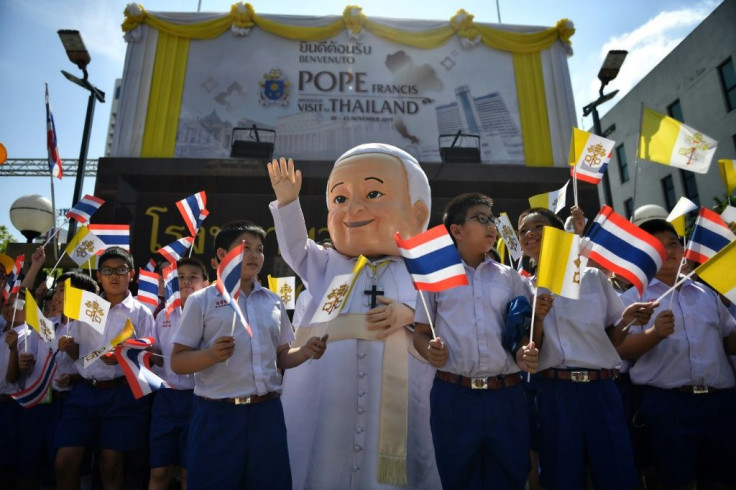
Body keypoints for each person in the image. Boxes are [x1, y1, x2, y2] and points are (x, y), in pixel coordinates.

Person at [268, 144, 441, 489]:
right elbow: (295, 248)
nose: (353, 209)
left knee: (401, 467)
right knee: (328, 462)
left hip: (402, 395)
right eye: (340, 200)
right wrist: (288, 203)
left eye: (374, 193)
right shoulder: (325, 264)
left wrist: (408, 314)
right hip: (333, 395)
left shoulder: (426, 267)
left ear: (418, 214)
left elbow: (440, 316)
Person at [170, 221, 327, 489]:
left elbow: (281, 356)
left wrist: (305, 352)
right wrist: (210, 355)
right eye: (245, 248)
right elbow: (177, 361)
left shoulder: (273, 301)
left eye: (260, 249)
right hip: (217, 415)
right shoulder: (201, 300)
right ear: (222, 255)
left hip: (266, 414)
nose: (255, 255)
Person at [518, 207, 655, 490]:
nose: (530, 234)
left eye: (539, 226)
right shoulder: (522, 289)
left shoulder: (592, 278)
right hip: (554, 392)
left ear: (558, 234)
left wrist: (627, 321)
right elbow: (529, 350)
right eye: (523, 231)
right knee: (561, 475)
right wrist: (539, 318)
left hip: (600, 389)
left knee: (616, 471)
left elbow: (612, 339)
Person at [413, 192, 538, 489]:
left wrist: (524, 352)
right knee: (458, 477)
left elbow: (518, 331)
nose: (491, 226)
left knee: (509, 476)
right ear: (456, 230)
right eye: (481, 219)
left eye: (491, 219)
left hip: (506, 395)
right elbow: (420, 332)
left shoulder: (511, 278)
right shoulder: (434, 275)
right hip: (453, 397)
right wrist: (430, 351)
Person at [617, 219, 736, 489]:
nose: (669, 251)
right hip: (667, 405)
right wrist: (655, 334)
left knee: (723, 479)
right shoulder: (631, 299)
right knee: (674, 479)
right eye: (659, 246)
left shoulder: (707, 293)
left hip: (720, 403)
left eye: (673, 244)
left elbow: (728, 341)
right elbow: (621, 350)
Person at [54, 246, 154, 490]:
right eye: (107, 270)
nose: (114, 276)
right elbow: (81, 354)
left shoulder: (141, 312)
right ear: (98, 276)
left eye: (120, 270)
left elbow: (151, 358)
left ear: (131, 274)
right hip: (84, 392)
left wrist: (124, 356)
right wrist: (68, 347)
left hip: (121, 394)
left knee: (111, 466)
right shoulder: (87, 308)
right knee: (64, 461)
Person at [147, 257, 209, 490]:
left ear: (206, 282)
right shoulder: (162, 315)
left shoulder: (212, 315)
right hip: (166, 398)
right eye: (180, 277)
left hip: (200, 398)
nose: (186, 282)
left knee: (190, 471)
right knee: (160, 469)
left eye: (193, 277)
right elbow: (155, 354)